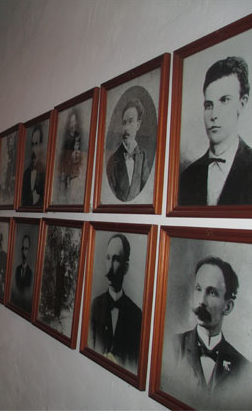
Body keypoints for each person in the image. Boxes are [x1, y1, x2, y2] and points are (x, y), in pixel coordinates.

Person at [179, 56, 252, 206]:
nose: (214, 115)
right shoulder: (187, 177)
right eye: (209, 105)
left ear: (241, 104)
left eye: (224, 100)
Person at [171, 256, 252, 405]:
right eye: (198, 289)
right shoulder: (172, 346)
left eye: (212, 293)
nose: (201, 300)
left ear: (227, 307)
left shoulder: (244, 369)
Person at [90, 233, 142, 372]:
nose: (108, 270)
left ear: (125, 268)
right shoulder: (94, 306)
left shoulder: (136, 315)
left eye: (116, 259)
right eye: (108, 258)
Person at [106, 98, 151, 202]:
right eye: (124, 123)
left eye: (130, 122)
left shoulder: (143, 157)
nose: (126, 128)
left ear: (138, 125)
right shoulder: (112, 161)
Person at [21, 125, 46, 206]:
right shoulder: (27, 173)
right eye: (33, 144)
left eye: (36, 143)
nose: (34, 147)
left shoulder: (45, 172)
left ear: (41, 145)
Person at [10, 234, 33, 313]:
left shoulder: (30, 272)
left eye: (26, 249)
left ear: (29, 251)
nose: (24, 252)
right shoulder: (17, 269)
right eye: (22, 248)